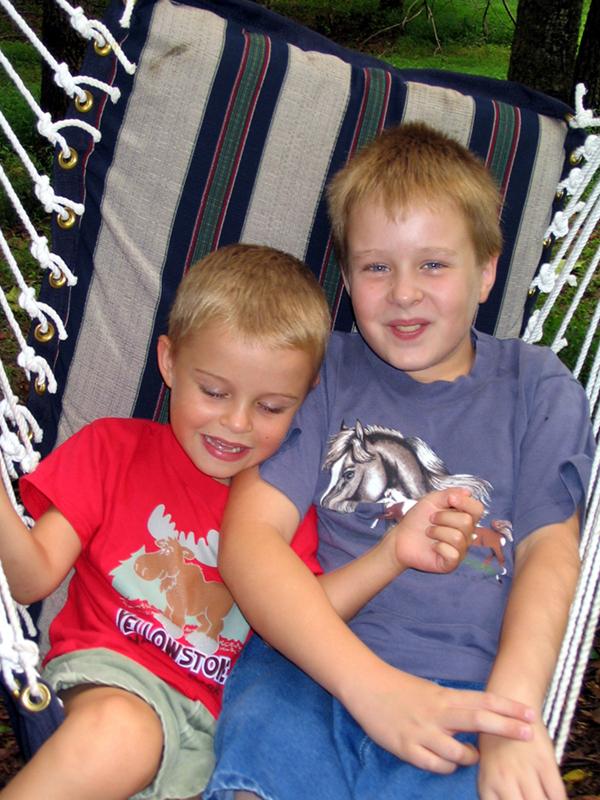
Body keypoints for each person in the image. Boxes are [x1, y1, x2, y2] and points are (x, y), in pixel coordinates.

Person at [0, 241, 498, 800]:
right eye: (213, 391)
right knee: (125, 735)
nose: (235, 423)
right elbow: (31, 576)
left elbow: (306, 616)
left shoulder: (283, 508)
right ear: (168, 362)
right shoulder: (111, 452)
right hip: (114, 681)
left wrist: (391, 555)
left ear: (306, 402)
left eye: (271, 407)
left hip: (217, 734)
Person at [203, 124, 595, 800]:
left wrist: (511, 716)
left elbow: (549, 557)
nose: (403, 293)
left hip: (468, 693)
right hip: (311, 672)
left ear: (487, 271)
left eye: (433, 265)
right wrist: (370, 687)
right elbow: (249, 544)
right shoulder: (324, 371)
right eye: (376, 266)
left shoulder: (536, 387)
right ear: (347, 275)